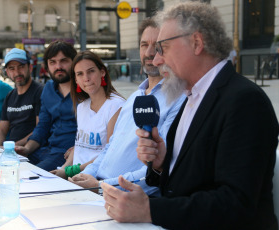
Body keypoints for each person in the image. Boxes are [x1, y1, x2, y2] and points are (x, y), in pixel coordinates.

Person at [101, 2, 279, 230]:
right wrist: (161, 165)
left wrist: (149, 210)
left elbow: (236, 204)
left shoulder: (245, 101)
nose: (156, 60)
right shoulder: (191, 97)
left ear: (196, 43)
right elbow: (186, 182)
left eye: (162, 48)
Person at [68, 18, 185, 196]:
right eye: (144, 44)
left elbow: (160, 169)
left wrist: (101, 186)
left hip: (126, 198)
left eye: (158, 45)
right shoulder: (134, 97)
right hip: (98, 189)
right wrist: (86, 174)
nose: (149, 52)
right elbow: (110, 147)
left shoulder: (179, 99)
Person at [50, 51, 125, 179]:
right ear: (76, 80)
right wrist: (63, 169)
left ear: (102, 72)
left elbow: (109, 155)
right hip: (74, 175)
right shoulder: (82, 106)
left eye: (91, 71)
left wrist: (70, 171)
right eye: (80, 74)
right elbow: (79, 147)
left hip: (96, 179)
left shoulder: (116, 106)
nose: (86, 78)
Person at [15, 40, 77, 171]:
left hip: (68, 154)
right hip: (46, 149)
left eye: (64, 61)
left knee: (28, 177)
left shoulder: (84, 90)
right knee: (10, 167)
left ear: (74, 62)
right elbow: (43, 125)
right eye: (52, 62)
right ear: (47, 66)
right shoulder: (48, 88)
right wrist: (27, 148)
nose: (58, 66)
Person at [0, 48, 43, 147]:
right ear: (7, 72)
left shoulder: (40, 92)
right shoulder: (10, 96)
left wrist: (13, 147)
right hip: (12, 150)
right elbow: (1, 130)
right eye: (12, 68)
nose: (17, 72)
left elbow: (40, 128)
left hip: (32, 150)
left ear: (30, 67)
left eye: (21, 67)